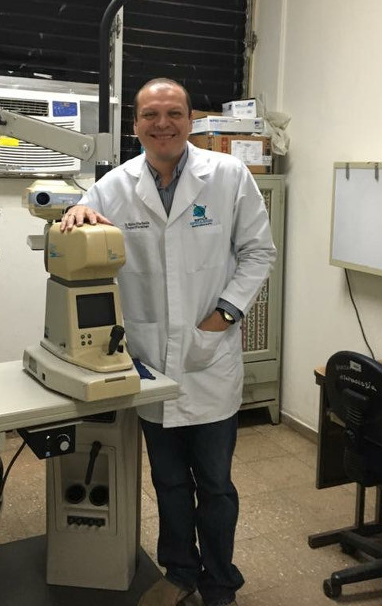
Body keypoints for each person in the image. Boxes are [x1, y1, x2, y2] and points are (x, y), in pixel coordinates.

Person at [61, 78, 276, 606]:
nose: (163, 124)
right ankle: (180, 572)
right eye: (151, 115)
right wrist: (74, 215)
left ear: (190, 119)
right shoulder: (114, 185)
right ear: (135, 124)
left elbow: (259, 253)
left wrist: (224, 315)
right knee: (169, 482)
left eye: (174, 113)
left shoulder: (227, 175)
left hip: (209, 357)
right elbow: (77, 222)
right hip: (151, 361)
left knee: (216, 484)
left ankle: (219, 582)